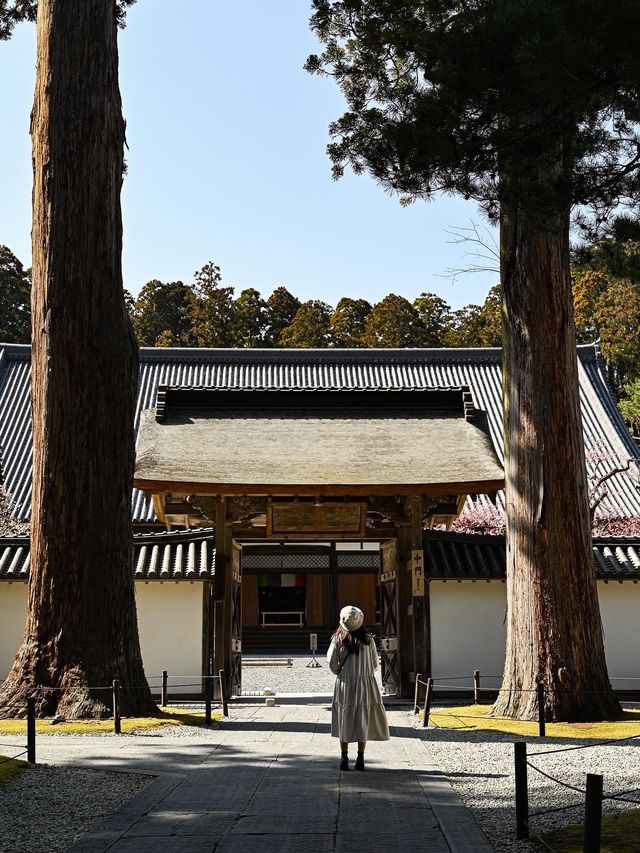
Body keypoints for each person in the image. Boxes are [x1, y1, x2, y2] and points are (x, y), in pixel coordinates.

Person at [327, 604, 390, 771]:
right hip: (365, 683)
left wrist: (340, 671)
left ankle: (344, 757)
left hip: (345, 684)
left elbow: (332, 663)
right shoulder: (368, 640)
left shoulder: (338, 639)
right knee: (363, 716)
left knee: (344, 717)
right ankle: (361, 758)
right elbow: (375, 664)